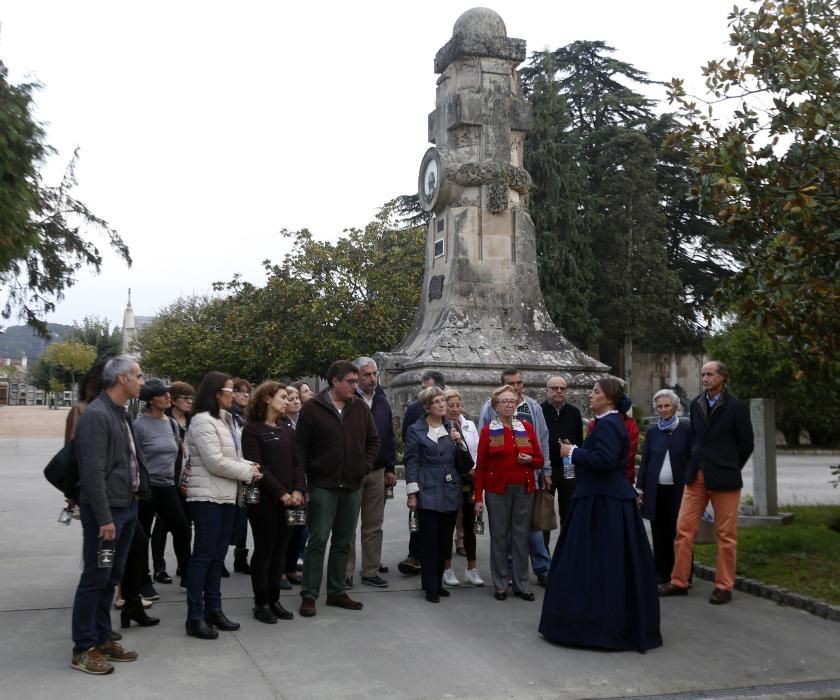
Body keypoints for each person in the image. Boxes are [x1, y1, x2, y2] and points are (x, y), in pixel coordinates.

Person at [539, 378, 662, 653]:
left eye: (595, 392)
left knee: (600, 562)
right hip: (604, 498)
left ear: (609, 398)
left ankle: (599, 625)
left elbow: (605, 461)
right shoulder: (610, 422)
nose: (590, 396)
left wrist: (573, 452)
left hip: (603, 501)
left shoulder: (609, 423)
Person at [71, 355, 147, 674]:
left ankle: (102, 638)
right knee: (96, 577)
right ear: (122, 379)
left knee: (112, 576)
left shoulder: (122, 413)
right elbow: (92, 473)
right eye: (139, 376)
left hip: (127, 507)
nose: (143, 381)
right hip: (108, 513)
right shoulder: (96, 415)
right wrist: (104, 519)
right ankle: (83, 648)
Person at [659, 361, 754, 605]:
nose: (705, 378)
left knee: (726, 535)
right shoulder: (697, 404)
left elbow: (746, 444)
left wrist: (730, 465)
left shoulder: (736, 407)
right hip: (696, 476)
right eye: (703, 374)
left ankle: (724, 586)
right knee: (683, 530)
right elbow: (696, 439)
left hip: (725, 477)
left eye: (710, 374)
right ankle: (679, 581)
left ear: (723, 377)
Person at [296, 361, 380, 618]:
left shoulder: (360, 409)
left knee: (343, 541)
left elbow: (373, 441)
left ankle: (336, 591)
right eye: (351, 382)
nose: (356, 386)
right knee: (318, 540)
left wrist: (363, 467)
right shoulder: (312, 408)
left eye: (357, 382)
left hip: (352, 486)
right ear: (335, 381)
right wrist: (303, 485)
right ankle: (309, 595)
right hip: (323, 486)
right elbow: (300, 450)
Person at [184, 372, 262, 639]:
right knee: (203, 556)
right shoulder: (202, 421)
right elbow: (214, 461)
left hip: (227, 495)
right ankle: (195, 616)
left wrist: (248, 466)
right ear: (217, 393)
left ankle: (213, 609)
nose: (234, 395)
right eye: (230, 390)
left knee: (217, 557)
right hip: (206, 497)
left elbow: (232, 457)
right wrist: (247, 472)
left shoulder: (227, 419)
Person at [478, 368, 552, 585]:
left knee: (530, 528)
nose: (516, 388)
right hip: (499, 483)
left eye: (519, 383)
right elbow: (484, 451)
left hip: (529, 479)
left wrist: (544, 469)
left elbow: (542, 442)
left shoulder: (532, 408)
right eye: (511, 384)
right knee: (503, 533)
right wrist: (479, 492)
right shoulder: (490, 410)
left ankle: (540, 569)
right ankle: (505, 573)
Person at [241, 381, 305, 623]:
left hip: (291, 500)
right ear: (267, 398)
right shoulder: (252, 430)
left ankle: (275, 599)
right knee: (265, 550)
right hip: (265, 501)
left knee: (281, 550)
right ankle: (261, 603)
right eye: (282, 397)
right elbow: (257, 467)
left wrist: (299, 489)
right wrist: (281, 493)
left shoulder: (287, 429)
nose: (287, 401)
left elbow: (298, 462)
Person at [404, 386, 465, 602]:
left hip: (449, 488)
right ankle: (429, 585)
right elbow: (411, 462)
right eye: (437, 401)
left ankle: (438, 582)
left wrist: (459, 441)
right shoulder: (416, 429)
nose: (442, 404)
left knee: (444, 540)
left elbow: (463, 459)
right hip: (428, 488)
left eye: (443, 400)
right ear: (427, 406)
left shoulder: (451, 427)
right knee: (429, 540)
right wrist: (412, 494)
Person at [133, 379, 191, 592]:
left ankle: (187, 573)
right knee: (142, 536)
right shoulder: (139, 425)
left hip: (168, 486)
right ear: (150, 400)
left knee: (183, 530)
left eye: (168, 393)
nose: (168, 397)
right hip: (147, 488)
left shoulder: (171, 423)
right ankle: (144, 580)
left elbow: (176, 455)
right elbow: (133, 458)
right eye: (162, 394)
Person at [346, 357, 397, 588]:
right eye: (366, 375)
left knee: (374, 525)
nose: (372, 379)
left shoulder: (382, 401)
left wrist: (390, 467)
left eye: (374, 374)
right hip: (352, 472)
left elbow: (388, 436)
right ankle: (344, 572)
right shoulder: (347, 400)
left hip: (377, 472)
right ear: (356, 376)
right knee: (347, 525)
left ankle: (370, 570)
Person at [636, 389, 692, 583]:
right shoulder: (652, 431)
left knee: (679, 532)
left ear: (675, 407)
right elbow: (646, 461)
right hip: (656, 490)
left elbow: (693, 459)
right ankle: (661, 573)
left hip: (680, 490)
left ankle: (683, 574)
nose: (663, 409)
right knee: (659, 532)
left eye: (667, 405)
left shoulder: (686, 429)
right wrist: (640, 487)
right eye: (660, 406)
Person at [398, 370, 446, 576]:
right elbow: (409, 448)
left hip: (447, 481)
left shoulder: (450, 414)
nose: (423, 394)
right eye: (422, 389)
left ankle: (443, 563)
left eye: (428, 390)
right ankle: (415, 555)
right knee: (419, 517)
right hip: (424, 478)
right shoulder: (415, 410)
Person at [151, 380, 193, 583]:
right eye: (185, 398)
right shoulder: (162, 420)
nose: (189, 402)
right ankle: (159, 567)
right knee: (162, 524)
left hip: (187, 480)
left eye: (191, 398)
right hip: (165, 480)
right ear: (174, 400)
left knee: (184, 525)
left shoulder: (193, 421)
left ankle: (184, 568)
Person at [441, 389, 483, 587]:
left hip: (469, 479)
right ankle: (447, 569)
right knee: (448, 525)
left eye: (458, 405)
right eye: (451, 406)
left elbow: (476, 451)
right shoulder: (440, 427)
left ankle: (471, 569)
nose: (455, 409)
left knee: (469, 526)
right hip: (450, 482)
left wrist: (475, 471)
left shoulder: (469, 425)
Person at [540, 375, 583, 549]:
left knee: (569, 512)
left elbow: (580, 441)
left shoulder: (574, 412)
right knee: (544, 515)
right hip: (546, 469)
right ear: (547, 390)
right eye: (555, 388)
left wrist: (572, 448)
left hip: (569, 468)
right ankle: (543, 562)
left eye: (562, 388)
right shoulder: (539, 410)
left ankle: (567, 554)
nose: (559, 391)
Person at [229, 378, 252, 575]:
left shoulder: (248, 416)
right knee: (233, 517)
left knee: (245, 516)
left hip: (249, 474)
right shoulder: (228, 416)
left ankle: (240, 558)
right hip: (233, 473)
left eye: (247, 391)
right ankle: (218, 559)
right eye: (240, 391)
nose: (245, 394)